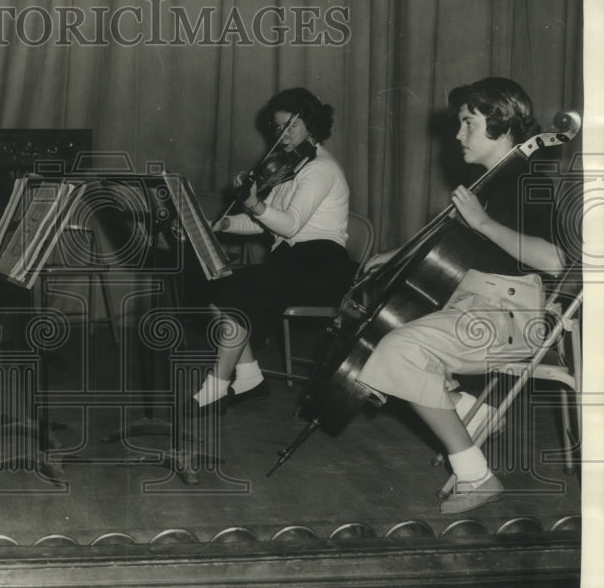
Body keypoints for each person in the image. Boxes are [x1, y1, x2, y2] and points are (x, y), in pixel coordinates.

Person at [358, 77, 565, 514]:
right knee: (386, 338)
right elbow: (450, 240)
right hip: (474, 305)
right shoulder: (488, 182)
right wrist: (394, 255)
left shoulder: (527, 180)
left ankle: (475, 475)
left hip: (512, 315)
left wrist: (484, 224)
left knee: (400, 350)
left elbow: (554, 261)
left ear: (502, 123)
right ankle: (473, 410)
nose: (457, 135)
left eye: (468, 123)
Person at [192, 88, 354, 413]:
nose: (282, 136)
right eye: (278, 128)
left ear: (312, 125)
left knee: (239, 290)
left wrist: (254, 202)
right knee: (211, 286)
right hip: (291, 262)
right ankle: (250, 376)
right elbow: (265, 222)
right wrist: (224, 225)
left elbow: (290, 225)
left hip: (322, 266)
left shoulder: (320, 169)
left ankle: (216, 389)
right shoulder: (290, 168)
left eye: (290, 126)